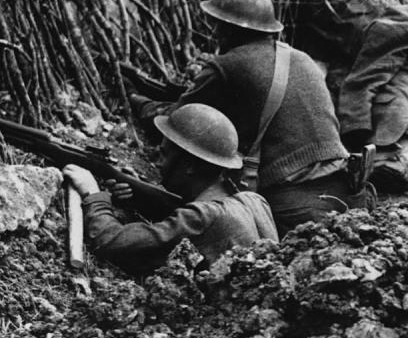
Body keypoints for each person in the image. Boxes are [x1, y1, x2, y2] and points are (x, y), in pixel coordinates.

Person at [130, 0, 375, 233]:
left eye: (218, 25)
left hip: (293, 204)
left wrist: (139, 103)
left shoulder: (227, 66)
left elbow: (177, 122)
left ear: (226, 29)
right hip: (349, 192)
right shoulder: (302, 58)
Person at [63, 104, 278, 275]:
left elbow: (112, 241)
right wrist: (139, 201)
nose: (157, 161)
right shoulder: (255, 201)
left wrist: (94, 195)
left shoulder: (203, 216)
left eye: (165, 154)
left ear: (191, 166)